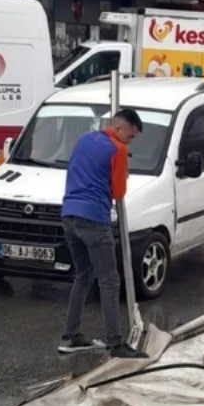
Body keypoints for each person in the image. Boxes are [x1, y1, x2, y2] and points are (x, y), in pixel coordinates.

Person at [58, 108, 144, 357]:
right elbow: (118, 193)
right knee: (109, 280)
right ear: (118, 129)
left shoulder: (85, 139)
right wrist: (123, 174)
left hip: (69, 215)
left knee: (83, 276)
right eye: (130, 136)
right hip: (94, 219)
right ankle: (115, 343)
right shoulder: (117, 150)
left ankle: (71, 336)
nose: (130, 141)